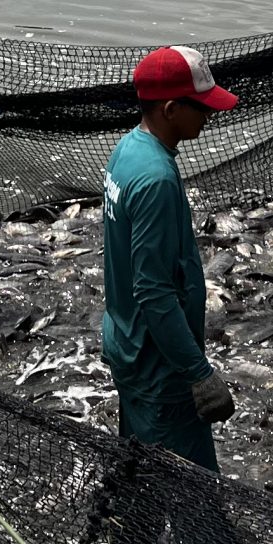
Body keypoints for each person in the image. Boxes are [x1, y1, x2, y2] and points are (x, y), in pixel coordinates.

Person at [101, 45, 239, 472]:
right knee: (195, 499)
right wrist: (199, 374)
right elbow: (154, 291)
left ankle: (128, 537)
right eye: (202, 107)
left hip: (127, 345)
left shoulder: (129, 148)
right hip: (160, 369)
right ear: (172, 109)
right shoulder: (156, 178)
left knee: (142, 479)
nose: (209, 115)